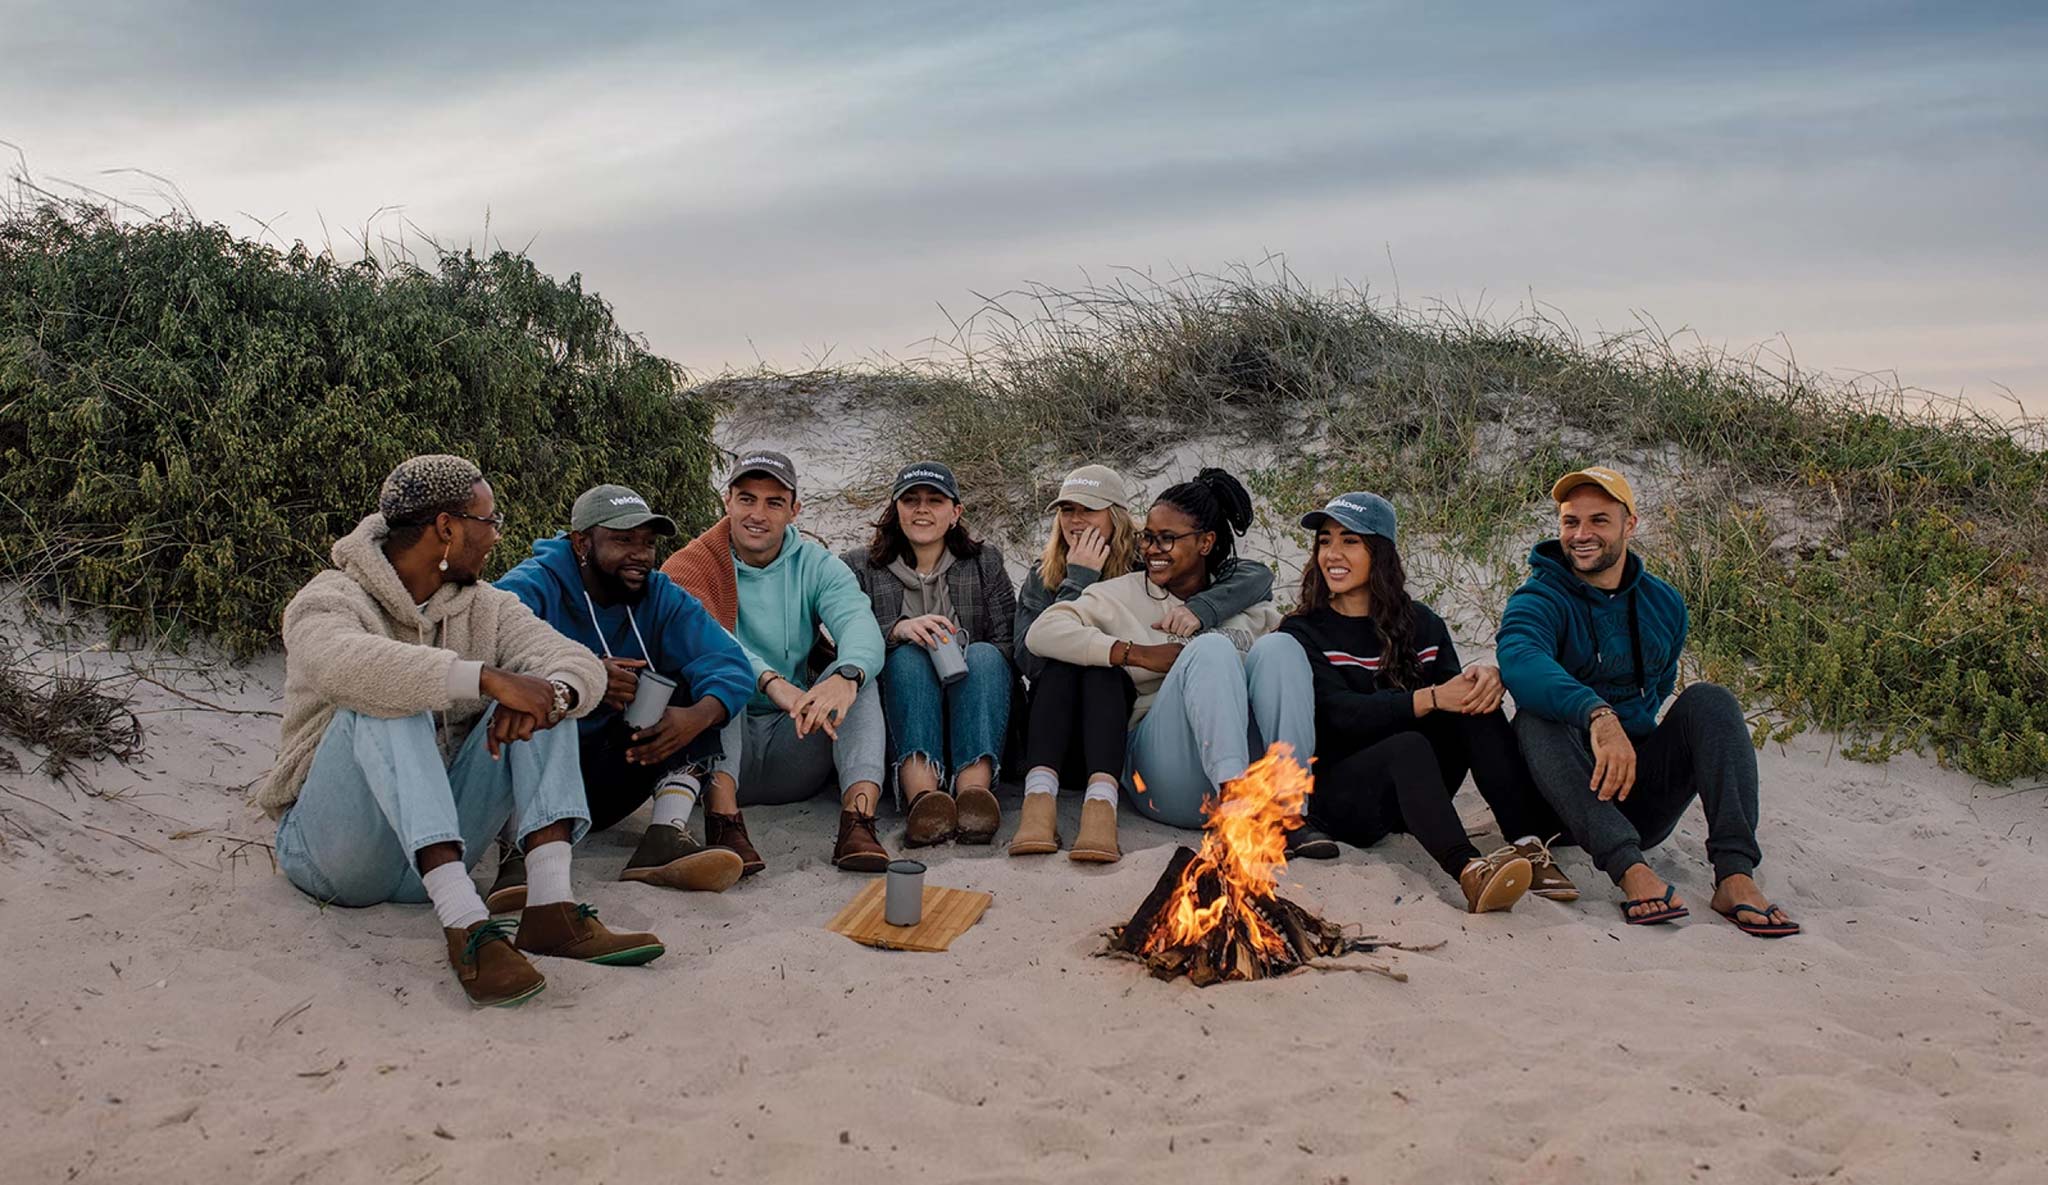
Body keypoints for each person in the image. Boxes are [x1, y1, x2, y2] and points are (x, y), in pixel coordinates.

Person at [258, 455, 663, 1009]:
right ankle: (468, 926)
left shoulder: (486, 606)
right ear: (447, 528)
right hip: (336, 856)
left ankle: (552, 909)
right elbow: (341, 663)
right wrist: (487, 679)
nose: (497, 537)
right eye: (489, 522)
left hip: (431, 857)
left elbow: (572, 659)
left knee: (541, 695)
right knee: (385, 695)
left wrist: (554, 694)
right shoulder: (330, 597)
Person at [1499, 467, 1800, 936]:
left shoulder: (1664, 604)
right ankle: (1631, 871)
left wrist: (1626, 735)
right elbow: (1520, 660)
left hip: (1634, 796)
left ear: (1629, 525)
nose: (1581, 534)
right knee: (1537, 717)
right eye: (1570, 521)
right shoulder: (1537, 598)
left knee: (1711, 700)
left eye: (1599, 520)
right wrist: (1598, 715)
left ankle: (1735, 874)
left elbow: (1657, 690)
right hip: (1555, 799)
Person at [1277, 493, 1573, 913]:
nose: (1332, 554)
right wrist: (1429, 698)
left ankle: (1527, 844)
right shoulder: (1304, 630)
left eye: (1350, 541)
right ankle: (1469, 868)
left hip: (1415, 795)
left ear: (1380, 553)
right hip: (1343, 799)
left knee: (1476, 710)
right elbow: (1335, 715)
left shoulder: (1423, 624)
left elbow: (1453, 705)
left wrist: (1482, 680)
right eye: (1325, 541)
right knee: (1408, 745)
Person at [489, 483, 757, 907]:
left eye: (648, 543)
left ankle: (664, 836)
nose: (641, 554)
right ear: (581, 542)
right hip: (529, 781)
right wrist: (585, 674)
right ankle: (516, 856)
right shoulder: (533, 585)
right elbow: (485, 646)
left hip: (610, 775)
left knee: (703, 691)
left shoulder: (659, 593)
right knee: (528, 693)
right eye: (623, 540)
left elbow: (730, 661)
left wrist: (696, 717)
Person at [1024, 468, 1312, 862]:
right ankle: (1234, 807)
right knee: (1209, 650)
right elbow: (1042, 632)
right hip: (1167, 774)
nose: (1153, 550)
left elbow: (1261, 587)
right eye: (1148, 538)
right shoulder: (1122, 593)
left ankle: (1290, 809)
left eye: (1168, 539)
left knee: (1282, 647)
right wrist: (1136, 653)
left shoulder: (1241, 599)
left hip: (1249, 769)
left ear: (1207, 542)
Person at [658, 450, 892, 873]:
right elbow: (704, 639)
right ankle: (724, 823)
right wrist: (769, 680)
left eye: (773, 502)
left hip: (795, 740)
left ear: (794, 509)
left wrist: (847, 674)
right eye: (747, 499)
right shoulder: (692, 564)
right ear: (727, 501)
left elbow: (859, 622)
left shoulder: (816, 565)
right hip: (724, 748)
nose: (757, 514)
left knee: (860, 679)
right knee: (717, 680)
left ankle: (858, 822)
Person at [841, 462, 1017, 846]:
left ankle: (975, 796)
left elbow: (1009, 643)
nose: (922, 509)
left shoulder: (985, 562)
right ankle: (924, 798)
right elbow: (845, 641)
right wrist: (899, 630)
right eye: (911, 500)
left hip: (974, 694)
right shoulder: (860, 567)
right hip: (905, 700)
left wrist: (957, 647)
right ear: (896, 510)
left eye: (935, 500)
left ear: (955, 513)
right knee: (907, 658)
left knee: (987, 655)